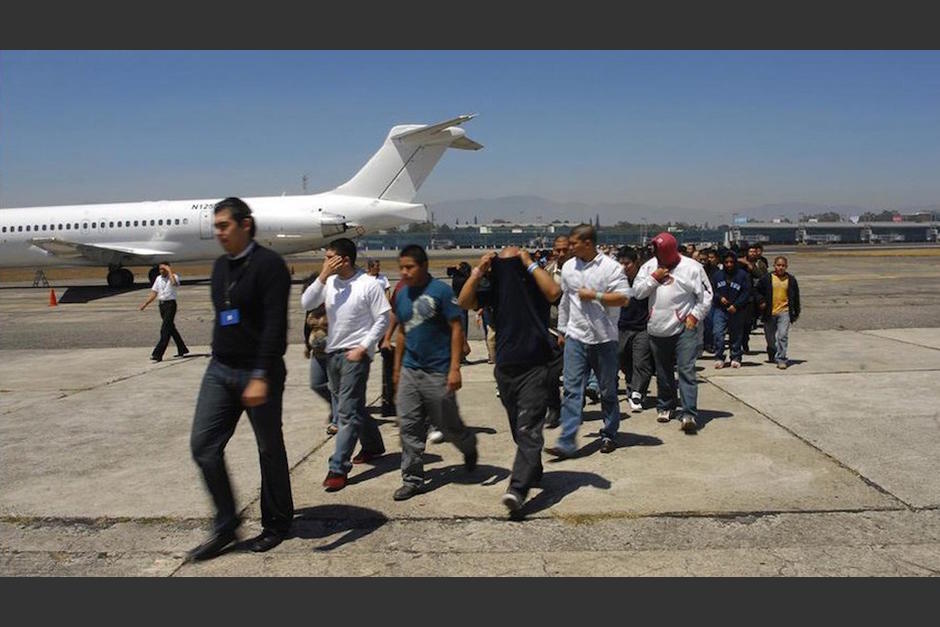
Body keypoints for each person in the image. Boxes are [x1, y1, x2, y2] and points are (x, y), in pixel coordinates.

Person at [186, 197, 293, 561]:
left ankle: (277, 523)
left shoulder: (269, 265)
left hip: (258, 370)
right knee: (203, 446)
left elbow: (276, 324)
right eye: (216, 226)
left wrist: (261, 373)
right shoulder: (219, 266)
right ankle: (227, 523)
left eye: (223, 226)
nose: (217, 233)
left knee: (268, 448)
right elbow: (224, 315)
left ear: (245, 224)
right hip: (220, 369)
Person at [457, 245, 561, 515]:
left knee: (528, 429)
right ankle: (533, 469)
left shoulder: (535, 280)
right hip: (505, 369)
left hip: (536, 365)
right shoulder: (494, 287)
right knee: (520, 429)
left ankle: (517, 489)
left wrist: (528, 262)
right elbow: (464, 302)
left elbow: (554, 293)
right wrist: (479, 270)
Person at [301, 237, 390, 493]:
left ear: (345, 259)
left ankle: (338, 467)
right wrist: (323, 275)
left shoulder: (368, 285)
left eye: (329, 257)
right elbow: (306, 303)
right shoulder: (328, 283)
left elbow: (383, 318)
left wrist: (365, 347)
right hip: (332, 353)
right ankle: (373, 445)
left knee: (346, 413)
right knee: (344, 402)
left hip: (356, 354)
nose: (325, 262)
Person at [391, 245, 478, 501]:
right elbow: (401, 332)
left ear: (424, 266)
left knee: (448, 426)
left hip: (438, 370)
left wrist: (455, 368)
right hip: (410, 369)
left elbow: (456, 328)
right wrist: (396, 369)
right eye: (402, 267)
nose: (404, 272)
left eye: (410, 267)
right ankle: (412, 479)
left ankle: (467, 445)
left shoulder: (441, 291)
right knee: (409, 426)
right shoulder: (402, 293)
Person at [546, 224, 631, 458]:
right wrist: (563, 330)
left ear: (588, 243)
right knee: (572, 390)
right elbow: (565, 302)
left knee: (607, 390)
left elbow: (624, 299)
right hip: (576, 336)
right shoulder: (570, 268)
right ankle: (567, 440)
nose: (569, 247)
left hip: (604, 339)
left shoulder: (611, 268)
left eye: (573, 244)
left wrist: (596, 295)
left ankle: (609, 433)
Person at [633, 232, 712, 433]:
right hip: (657, 328)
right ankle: (665, 405)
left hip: (683, 328)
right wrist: (654, 278)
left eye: (660, 252)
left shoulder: (692, 268)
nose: (657, 255)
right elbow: (638, 292)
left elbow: (706, 295)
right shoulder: (649, 267)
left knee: (686, 370)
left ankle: (688, 413)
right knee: (663, 371)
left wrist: (695, 316)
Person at [615, 246, 654, 412]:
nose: (624, 267)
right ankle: (632, 387)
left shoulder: (644, 280)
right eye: (621, 263)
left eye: (628, 263)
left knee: (641, 362)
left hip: (642, 328)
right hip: (622, 327)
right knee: (623, 360)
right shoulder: (616, 281)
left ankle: (638, 393)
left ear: (636, 262)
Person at [756, 256, 801, 369]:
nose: (780, 268)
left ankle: (781, 358)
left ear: (786, 267)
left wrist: (796, 312)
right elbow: (756, 290)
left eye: (783, 266)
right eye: (778, 265)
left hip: (784, 311)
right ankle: (772, 350)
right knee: (770, 337)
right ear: (774, 266)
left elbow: (795, 297)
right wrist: (761, 301)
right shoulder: (767, 278)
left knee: (782, 335)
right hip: (770, 312)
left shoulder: (791, 280)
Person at [138, 262, 189, 362]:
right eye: (160, 269)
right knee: (171, 328)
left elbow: (174, 283)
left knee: (164, 329)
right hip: (162, 305)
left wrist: (169, 271)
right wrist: (145, 304)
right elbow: (154, 292)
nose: (161, 271)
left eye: (163, 269)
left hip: (171, 305)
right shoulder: (158, 279)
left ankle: (158, 354)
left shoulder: (174, 277)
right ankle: (182, 349)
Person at [711, 250, 751, 369]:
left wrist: (736, 305)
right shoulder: (717, 275)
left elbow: (746, 292)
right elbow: (712, 290)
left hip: (737, 310)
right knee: (717, 333)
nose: (729, 264)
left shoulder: (743, 275)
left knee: (736, 335)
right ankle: (719, 356)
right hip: (720, 309)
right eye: (726, 262)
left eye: (731, 262)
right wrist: (719, 297)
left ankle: (735, 357)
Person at [302, 298, 336, 435]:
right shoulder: (312, 303)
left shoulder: (335, 301)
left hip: (334, 349)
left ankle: (336, 420)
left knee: (335, 387)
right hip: (317, 350)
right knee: (316, 384)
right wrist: (307, 345)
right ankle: (336, 405)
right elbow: (306, 326)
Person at [367, 259, 396, 417]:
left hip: (381, 308)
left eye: (379, 266)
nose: (378, 268)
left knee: (382, 330)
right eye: (376, 266)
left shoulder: (382, 278)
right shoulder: (367, 279)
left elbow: (387, 291)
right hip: (370, 309)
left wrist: (387, 303)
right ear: (370, 267)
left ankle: (382, 344)